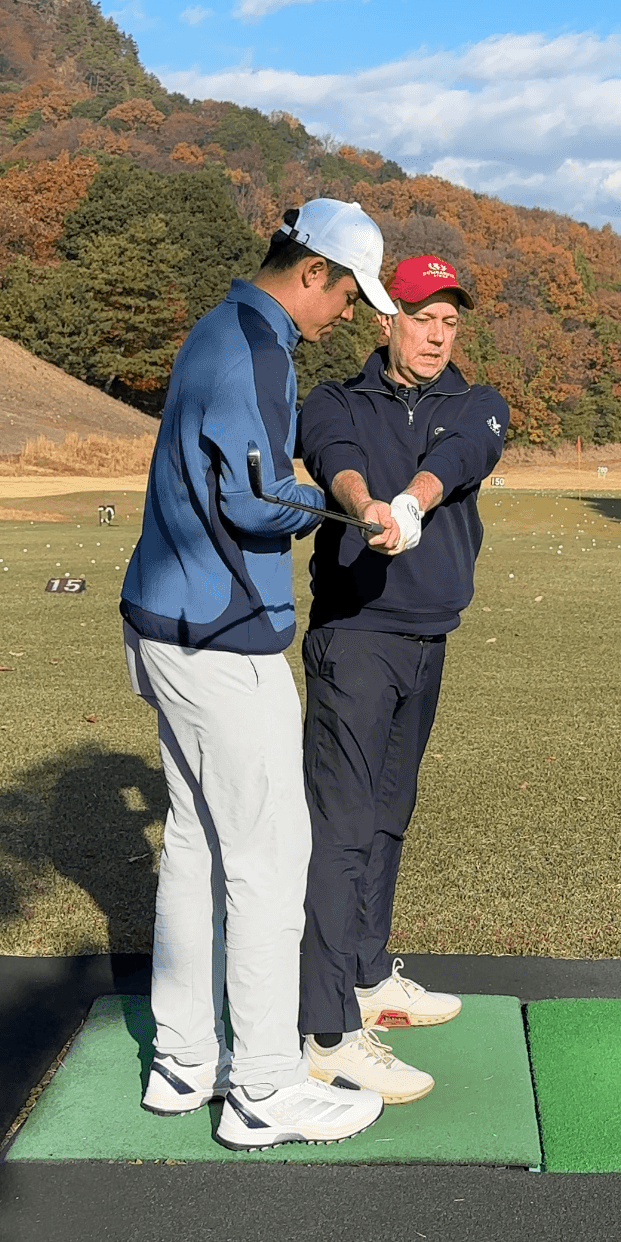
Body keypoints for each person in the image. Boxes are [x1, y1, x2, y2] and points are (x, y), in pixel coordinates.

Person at [119, 200, 398, 1151]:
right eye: (350, 294)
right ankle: (266, 1089)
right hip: (221, 639)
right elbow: (252, 495)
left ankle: (183, 1064)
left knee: (196, 849)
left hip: (173, 624)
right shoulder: (256, 342)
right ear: (312, 269)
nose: (352, 315)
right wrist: (345, 507)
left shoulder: (222, 326)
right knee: (272, 863)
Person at [294, 253, 509, 1101]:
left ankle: (369, 976)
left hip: (429, 637)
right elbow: (333, 456)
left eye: (449, 320)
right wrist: (363, 504)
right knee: (342, 826)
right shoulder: (334, 400)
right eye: (422, 316)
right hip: (356, 638)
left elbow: (459, 458)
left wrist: (412, 502)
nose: (436, 333)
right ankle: (323, 1029)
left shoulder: (477, 404)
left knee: (390, 813)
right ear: (387, 318)